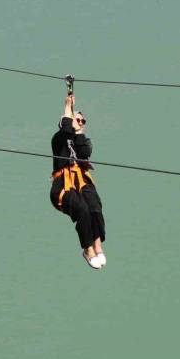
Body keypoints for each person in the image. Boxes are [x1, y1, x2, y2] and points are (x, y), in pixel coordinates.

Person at [50, 94, 106, 270]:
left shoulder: (82, 141)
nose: (80, 122)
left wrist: (79, 132)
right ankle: (88, 249)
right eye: (77, 119)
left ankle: (98, 245)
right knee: (81, 209)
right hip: (63, 186)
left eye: (82, 120)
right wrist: (68, 107)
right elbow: (66, 130)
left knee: (94, 206)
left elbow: (84, 153)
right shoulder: (58, 140)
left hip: (81, 181)